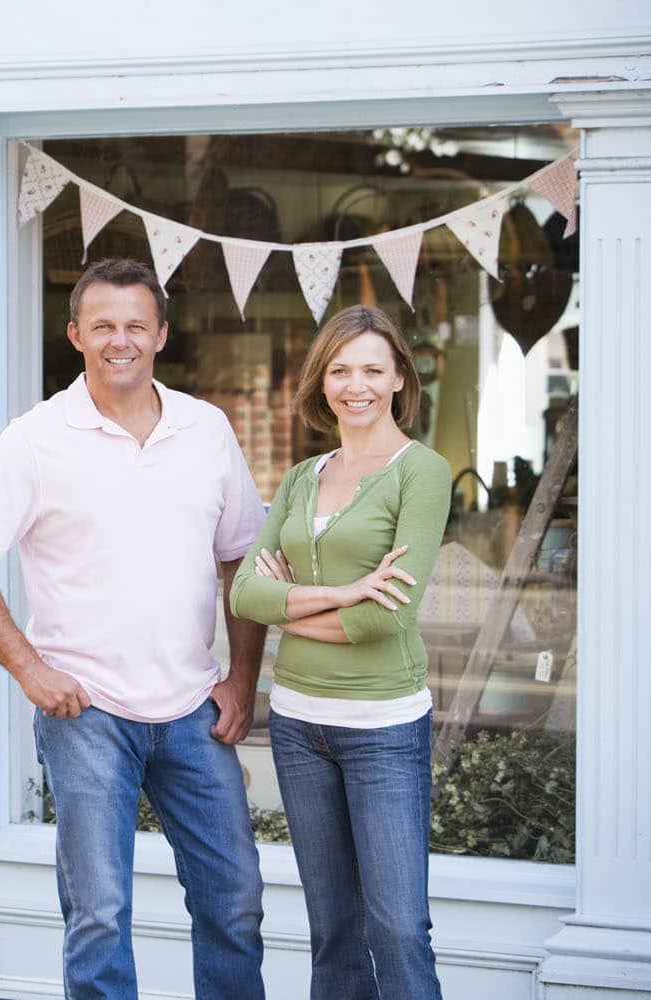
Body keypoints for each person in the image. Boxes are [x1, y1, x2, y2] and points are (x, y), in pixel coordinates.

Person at [0, 258, 270, 1000]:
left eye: (134, 325)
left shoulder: (206, 428)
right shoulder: (36, 438)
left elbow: (241, 564)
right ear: (76, 335)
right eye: (102, 327)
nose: (119, 340)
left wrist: (242, 680)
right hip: (86, 714)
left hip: (193, 711)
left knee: (235, 900)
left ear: (159, 333)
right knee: (98, 915)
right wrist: (32, 671)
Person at [230, 304, 451, 1000]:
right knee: (333, 930)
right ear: (323, 380)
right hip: (298, 727)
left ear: (397, 380)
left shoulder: (423, 471)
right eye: (341, 368)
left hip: (383, 729)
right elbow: (243, 596)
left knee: (398, 930)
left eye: (372, 370)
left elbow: (388, 621)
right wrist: (349, 591)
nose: (355, 384)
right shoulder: (302, 476)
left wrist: (295, 607)